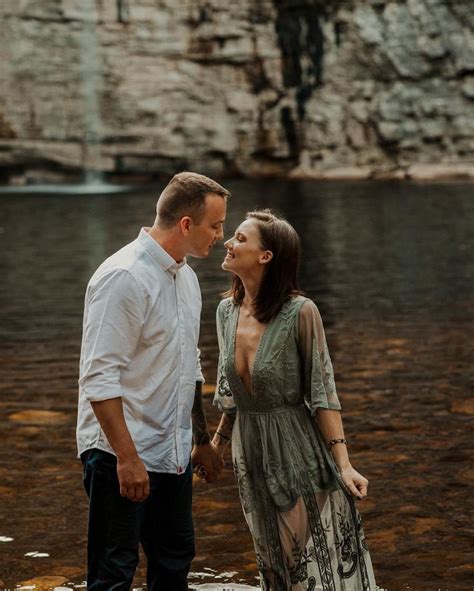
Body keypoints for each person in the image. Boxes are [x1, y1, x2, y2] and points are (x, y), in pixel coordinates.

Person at [76, 171, 229, 591]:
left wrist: (199, 440)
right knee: (113, 574)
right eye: (215, 226)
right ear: (185, 224)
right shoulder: (123, 277)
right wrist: (127, 459)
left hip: (173, 451)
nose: (221, 235)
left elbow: (189, 364)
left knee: (175, 560)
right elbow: (99, 377)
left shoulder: (187, 278)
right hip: (119, 454)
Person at [212, 209, 377, 590]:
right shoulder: (225, 312)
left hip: (295, 446)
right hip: (248, 450)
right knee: (270, 561)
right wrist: (217, 445)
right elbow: (231, 394)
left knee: (300, 559)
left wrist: (345, 463)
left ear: (265, 256)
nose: (228, 242)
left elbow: (322, 392)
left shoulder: (301, 312)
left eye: (239, 238)